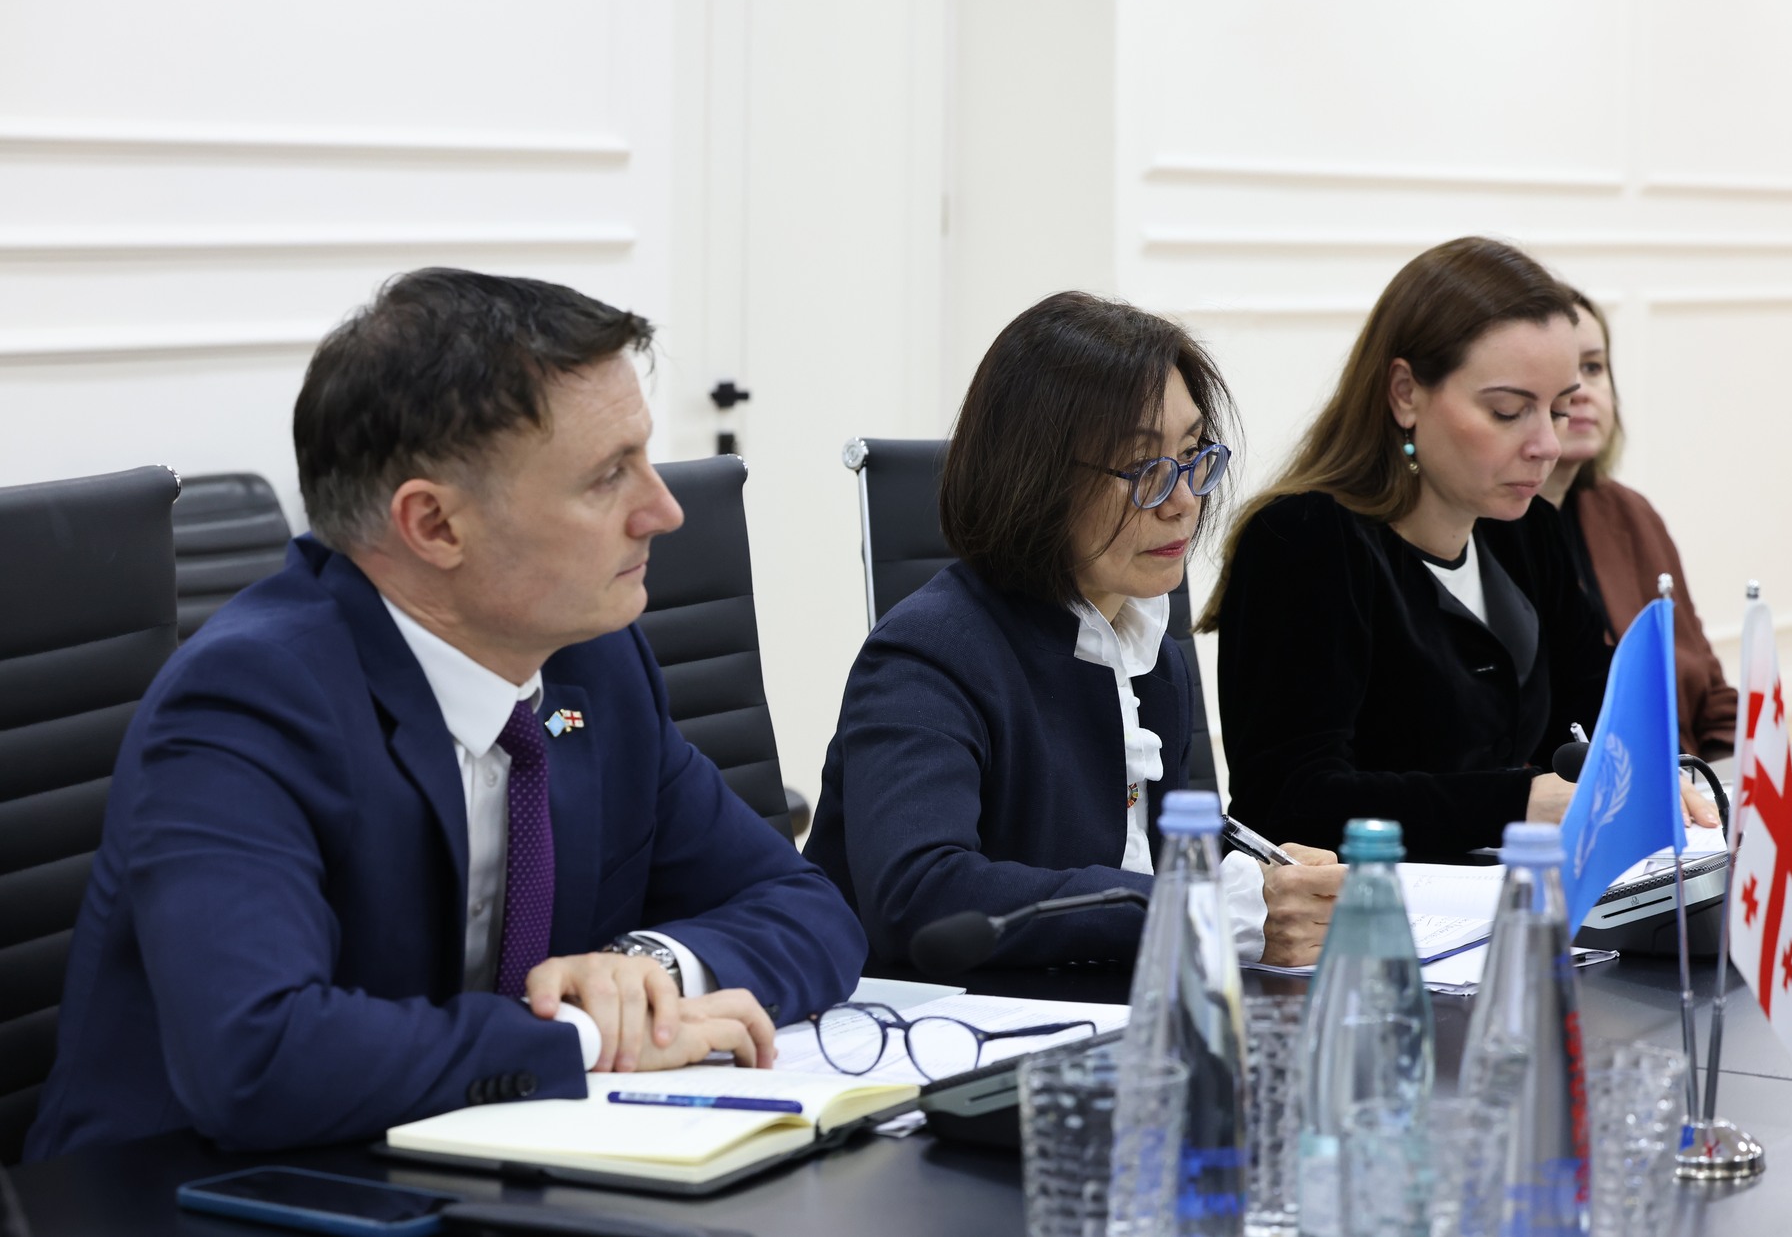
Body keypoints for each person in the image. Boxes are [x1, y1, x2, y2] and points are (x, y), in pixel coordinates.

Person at [27, 269, 865, 1160]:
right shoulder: (249, 702)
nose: (663, 510)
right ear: (433, 525)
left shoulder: (591, 666)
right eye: (606, 477)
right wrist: (583, 1034)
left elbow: (806, 908)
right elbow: (258, 1055)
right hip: (199, 1188)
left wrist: (647, 973)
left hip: (483, 1160)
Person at [806, 292, 1343, 970]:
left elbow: (1153, 857)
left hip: (1106, 1006)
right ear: (1034, 479)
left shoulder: (1152, 654)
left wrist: (1269, 885)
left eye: (1192, 453)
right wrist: (1199, 910)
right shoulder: (925, 656)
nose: (1184, 500)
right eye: (1143, 468)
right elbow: (921, 896)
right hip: (943, 1021)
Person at [1202, 238, 1718, 859]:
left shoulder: (1525, 527)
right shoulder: (1304, 540)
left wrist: (1653, 769)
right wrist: (1520, 804)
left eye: (1557, 410)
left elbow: (1598, 707)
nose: (1547, 446)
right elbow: (1286, 802)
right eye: (1508, 411)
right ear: (1405, 393)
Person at [1540, 290, 1738, 758]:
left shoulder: (1631, 513)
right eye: (1559, 374)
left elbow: (1711, 693)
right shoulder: (1488, 535)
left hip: (1693, 783)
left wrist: (1733, 778)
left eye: (1593, 367)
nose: (1581, 391)